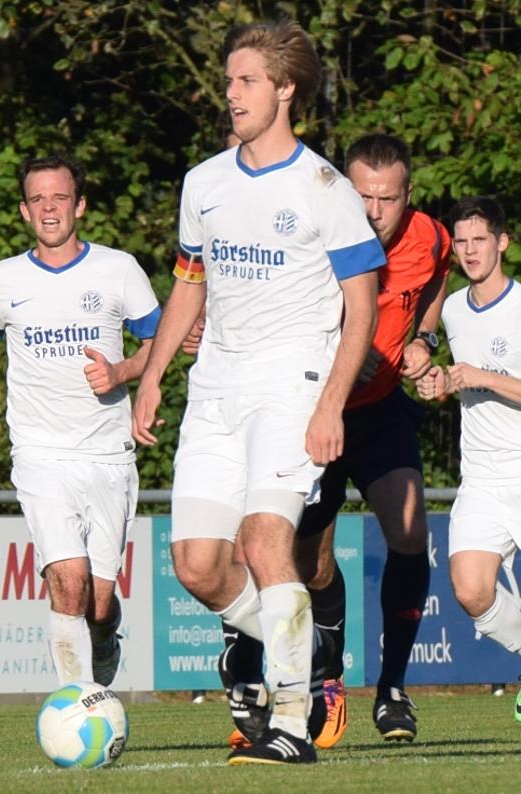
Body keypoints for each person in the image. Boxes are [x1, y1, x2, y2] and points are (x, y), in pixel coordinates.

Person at [133, 19, 383, 766]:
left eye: (247, 81)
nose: (232, 93)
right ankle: (301, 650)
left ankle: (292, 723)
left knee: (265, 541)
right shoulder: (203, 182)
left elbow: (362, 306)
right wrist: (153, 375)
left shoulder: (325, 188)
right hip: (214, 386)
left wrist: (331, 402)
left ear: (285, 89)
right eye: (229, 80)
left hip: (291, 384)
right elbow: (189, 283)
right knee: (198, 565)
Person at [200, 133, 451, 749]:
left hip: (380, 413)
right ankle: (322, 673)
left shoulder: (431, 237)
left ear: (408, 195)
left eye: (387, 199)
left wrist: (424, 339)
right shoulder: (318, 232)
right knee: (306, 563)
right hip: (313, 414)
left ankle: (392, 689)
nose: (374, 211)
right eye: (363, 195)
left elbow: (436, 281)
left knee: (409, 532)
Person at [0, 153, 161, 688]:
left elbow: (158, 343)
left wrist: (121, 371)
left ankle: (106, 638)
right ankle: (77, 701)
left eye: (60, 197)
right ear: (25, 211)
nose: (49, 209)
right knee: (68, 584)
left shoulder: (118, 269)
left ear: (80, 205)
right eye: (38, 199)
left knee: (98, 603)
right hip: (40, 453)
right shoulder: (1, 279)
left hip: (108, 454)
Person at [417, 196, 521, 723]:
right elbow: (458, 381)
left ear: (502, 242)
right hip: (480, 477)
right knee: (470, 589)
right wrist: (439, 381)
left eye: (480, 239)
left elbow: (481, 378)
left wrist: (482, 376)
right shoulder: (453, 309)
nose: (470, 250)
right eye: (461, 241)